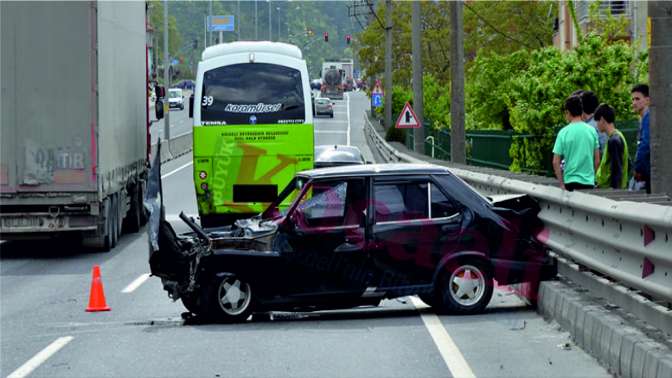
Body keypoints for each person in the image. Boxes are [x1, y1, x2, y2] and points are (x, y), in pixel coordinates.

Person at [552, 95, 600, 191]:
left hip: (570, 181)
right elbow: (597, 160)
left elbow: (555, 162)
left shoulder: (563, 132)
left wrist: (561, 184)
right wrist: (592, 176)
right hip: (588, 182)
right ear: (581, 111)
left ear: (568, 112)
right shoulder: (592, 131)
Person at [594, 104, 628, 189]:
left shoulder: (613, 140)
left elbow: (616, 168)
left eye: (597, 121)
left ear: (602, 119)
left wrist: (614, 189)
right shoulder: (619, 136)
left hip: (609, 189)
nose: (597, 125)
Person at [631, 84, 650, 193]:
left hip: (648, 173)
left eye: (637, 99)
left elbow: (645, 145)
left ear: (647, 100)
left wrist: (638, 168)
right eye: (633, 99)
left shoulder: (648, 118)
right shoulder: (643, 119)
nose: (634, 103)